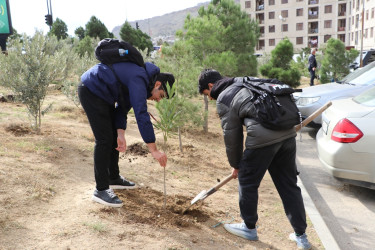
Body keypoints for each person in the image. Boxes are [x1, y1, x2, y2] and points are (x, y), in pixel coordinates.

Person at [198, 69, 312, 250]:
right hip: (287, 134)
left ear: (210, 86)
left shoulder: (225, 96)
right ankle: (301, 237)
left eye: (207, 94)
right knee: (288, 184)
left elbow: (232, 136)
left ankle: (249, 227)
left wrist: (236, 165)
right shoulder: (246, 81)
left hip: (263, 139)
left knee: (247, 180)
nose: (210, 99)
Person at [78, 61, 174, 208]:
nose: (159, 100)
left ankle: (113, 177)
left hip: (103, 95)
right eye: (161, 95)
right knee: (104, 139)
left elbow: (122, 108)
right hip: (92, 90)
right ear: (157, 84)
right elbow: (141, 115)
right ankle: (101, 189)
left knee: (112, 136)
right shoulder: (140, 79)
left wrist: (120, 133)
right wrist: (153, 150)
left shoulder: (141, 81)